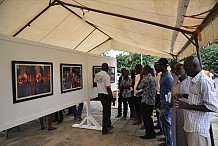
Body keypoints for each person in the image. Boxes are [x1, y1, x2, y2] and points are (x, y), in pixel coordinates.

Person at [175, 56, 218, 146]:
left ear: (194, 66)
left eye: (187, 69)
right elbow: (197, 98)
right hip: (190, 125)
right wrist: (184, 95)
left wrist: (187, 106)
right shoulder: (194, 80)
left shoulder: (204, 81)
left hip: (198, 128)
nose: (185, 72)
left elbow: (213, 107)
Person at [172, 63, 191, 146]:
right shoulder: (175, 80)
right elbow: (172, 92)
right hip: (176, 109)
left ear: (185, 69)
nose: (176, 71)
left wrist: (183, 95)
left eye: (178, 69)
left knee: (186, 133)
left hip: (187, 110)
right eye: (175, 69)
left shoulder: (190, 81)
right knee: (177, 131)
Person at [156, 58, 173, 146]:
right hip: (163, 102)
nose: (156, 67)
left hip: (167, 104)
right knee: (164, 123)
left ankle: (169, 143)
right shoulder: (163, 75)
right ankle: (167, 140)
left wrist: (170, 102)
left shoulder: (167, 76)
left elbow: (172, 89)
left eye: (157, 65)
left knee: (167, 124)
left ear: (161, 65)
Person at [94, 63, 114, 135]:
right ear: (107, 68)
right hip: (105, 95)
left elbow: (95, 82)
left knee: (106, 111)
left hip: (100, 94)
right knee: (106, 112)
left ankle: (108, 125)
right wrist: (112, 98)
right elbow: (108, 88)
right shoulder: (106, 76)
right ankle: (105, 130)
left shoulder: (97, 74)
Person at [137, 65, 157, 139]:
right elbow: (148, 89)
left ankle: (148, 133)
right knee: (149, 118)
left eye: (143, 70)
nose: (142, 71)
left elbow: (138, 87)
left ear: (146, 70)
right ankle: (152, 133)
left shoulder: (145, 79)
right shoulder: (153, 78)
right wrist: (141, 92)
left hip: (146, 101)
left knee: (146, 118)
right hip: (151, 101)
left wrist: (141, 77)